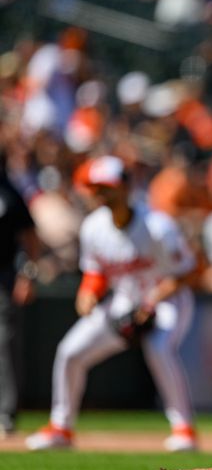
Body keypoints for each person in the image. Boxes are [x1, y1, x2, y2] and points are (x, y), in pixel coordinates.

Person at [25, 156, 199, 451]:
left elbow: (187, 272)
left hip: (169, 301)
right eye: (96, 188)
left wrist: (153, 300)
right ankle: (61, 428)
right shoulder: (93, 227)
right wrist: (87, 293)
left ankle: (183, 429)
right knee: (70, 351)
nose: (101, 194)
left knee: (159, 348)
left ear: (125, 188)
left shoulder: (157, 226)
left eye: (107, 187)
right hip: (125, 301)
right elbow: (95, 272)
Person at [0, 163, 40, 438]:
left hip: (4, 276)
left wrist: (28, 274)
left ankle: (5, 413)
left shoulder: (8, 191)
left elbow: (30, 236)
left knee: (4, 341)